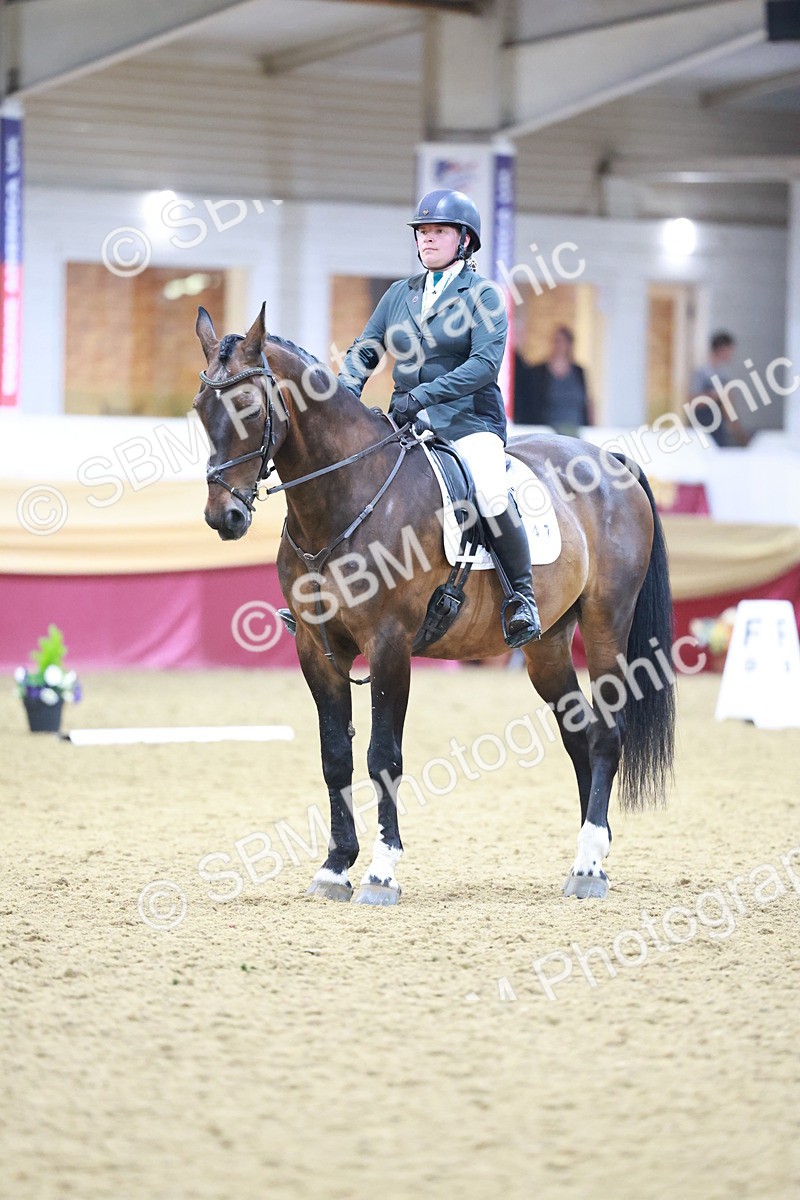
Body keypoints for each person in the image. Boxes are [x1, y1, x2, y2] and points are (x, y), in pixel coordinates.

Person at [337, 188, 541, 647]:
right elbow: (366, 349)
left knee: (488, 492)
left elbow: (484, 365)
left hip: (469, 423)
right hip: (406, 425)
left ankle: (521, 598)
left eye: (438, 232)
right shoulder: (399, 295)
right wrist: (341, 397)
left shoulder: (485, 296)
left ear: (464, 240)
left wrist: (423, 395)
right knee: (349, 485)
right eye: (422, 232)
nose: (427, 240)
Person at [517, 326, 592, 434]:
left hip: (576, 427)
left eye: (563, 341)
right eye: (556, 341)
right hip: (547, 429)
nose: (559, 345)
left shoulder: (578, 371)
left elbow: (586, 402)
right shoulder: (539, 372)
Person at [688, 331, 751, 447]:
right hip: (701, 427)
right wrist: (715, 395)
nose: (731, 354)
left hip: (718, 428)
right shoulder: (701, 373)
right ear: (722, 349)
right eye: (729, 350)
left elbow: (729, 407)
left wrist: (739, 432)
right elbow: (692, 402)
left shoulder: (724, 374)